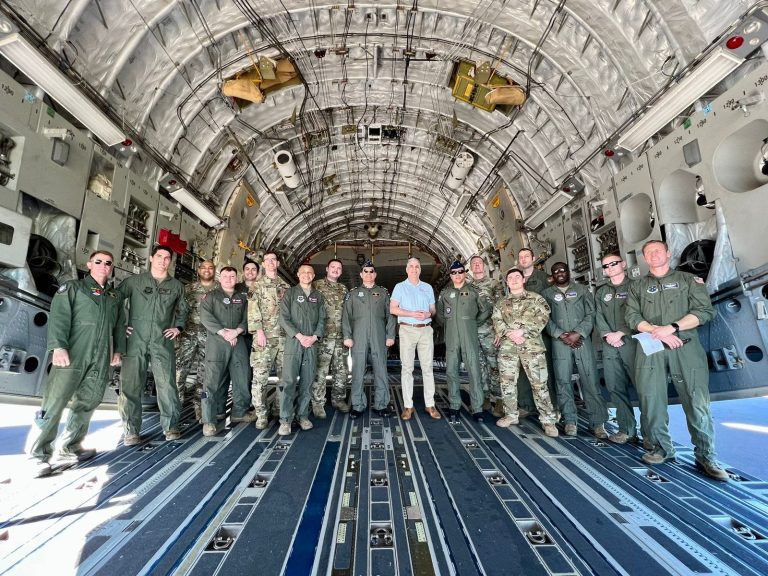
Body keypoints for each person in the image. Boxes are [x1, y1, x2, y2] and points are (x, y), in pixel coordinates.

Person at [625, 240, 728, 481]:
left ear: (668, 254)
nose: (654, 255)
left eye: (658, 250)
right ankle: (662, 448)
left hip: (685, 345)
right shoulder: (637, 286)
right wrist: (656, 331)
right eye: (648, 252)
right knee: (651, 399)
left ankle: (706, 456)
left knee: (696, 399)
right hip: (651, 346)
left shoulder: (687, 280)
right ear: (645, 258)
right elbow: (632, 316)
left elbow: (704, 311)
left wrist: (672, 328)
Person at [29, 251, 124, 477]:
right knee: (54, 402)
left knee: (88, 401)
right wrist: (58, 347)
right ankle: (39, 454)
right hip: (73, 353)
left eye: (108, 263)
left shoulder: (114, 297)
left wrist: (118, 350)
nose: (103, 266)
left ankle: (70, 447)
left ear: (112, 268)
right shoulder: (73, 288)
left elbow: (120, 325)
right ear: (89, 264)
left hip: (101, 357)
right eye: (98, 261)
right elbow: (60, 317)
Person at [117, 245, 189, 444]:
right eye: (159, 256)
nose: (163, 260)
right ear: (151, 258)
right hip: (135, 340)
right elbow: (114, 301)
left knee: (167, 384)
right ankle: (131, 431)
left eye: (167, 257)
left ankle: (171, 426)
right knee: (130, 386)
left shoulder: (176, 286)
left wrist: (178, 328)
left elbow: (183, 310)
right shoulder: (133, 282)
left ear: (170, 261)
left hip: (162, 341)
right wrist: (121, 326)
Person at [542, 262, 608, 438]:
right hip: (559, 342)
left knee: (590, 380)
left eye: (563, 270)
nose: (560, 273)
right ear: (552, 275)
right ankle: (570, 420)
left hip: (581, 342)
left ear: (568, 272)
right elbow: (544, 318)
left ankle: (598, 423)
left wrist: (578, 333)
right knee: (562, 382)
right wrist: (560, 334)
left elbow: (591, 313)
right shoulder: (546, 294)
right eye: (556, 271)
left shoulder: (582, 290)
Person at [492, 268, 558, 437]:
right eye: (510, 277)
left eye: (517, 277)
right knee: (507, 383)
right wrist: (509, 333)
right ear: (507, 282)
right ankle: (511, 415)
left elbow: (543, 317)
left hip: (532, 346)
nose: (513, 280)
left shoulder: (536, 299)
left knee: (539, 383)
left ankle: (548, 420)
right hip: (508, 347)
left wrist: (524, 332)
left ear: (523, 280)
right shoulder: (501, 303)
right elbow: (497, 320)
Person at [199, 267, 255, 435]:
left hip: (238, 341)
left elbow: (248, 317)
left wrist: (237, 331)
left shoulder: (242, 297)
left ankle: (240, 412)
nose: (229, 279)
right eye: (225, 276)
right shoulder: (211, 297)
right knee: (212, 381)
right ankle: (209, 419)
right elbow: (205, 317)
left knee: (242, 377)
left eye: (232, 276)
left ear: (237, 277)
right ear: (220, 278)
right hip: (217, 342)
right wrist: (224, 332)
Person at [595, 254, 644, 445]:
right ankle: (626, 429)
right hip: (610, 345)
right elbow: (598, 315)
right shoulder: (601, 292)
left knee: (643, 388)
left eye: (614, 263)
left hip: (632, 343)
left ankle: (649, 434)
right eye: (606, 266)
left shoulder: (636, 286)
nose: (610, 268)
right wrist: (608, 334)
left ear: (623, 264)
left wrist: (622, 333)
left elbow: (640, 313)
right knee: (615, 387)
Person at [436, 261, 490, 421]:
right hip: (452, 336)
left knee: (474, 370)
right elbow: (440, 315)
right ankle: (454, 406)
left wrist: (472, 323)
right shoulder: (445, 294)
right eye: (454, 273)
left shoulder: (474, 292)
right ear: (451, 275)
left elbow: (485, 310)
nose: (457, 275)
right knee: (451, 371)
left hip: (469, 335)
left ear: (465, 273)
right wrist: (451, 324)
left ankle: (478, 408)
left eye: (460, 272)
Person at [342, 261, 396, 417]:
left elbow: (390, 316)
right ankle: (358, 405)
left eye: (371, 271)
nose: (368, 274)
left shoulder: (383, 293)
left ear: (375, 274)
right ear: (361, 274)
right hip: (358, 335)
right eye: (365, 271)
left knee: (381, 370)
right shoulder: (353, 294)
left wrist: (390, 335)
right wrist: (347, 336)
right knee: (358, 370)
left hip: (379, 335)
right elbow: (346, 317)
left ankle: (381, 404)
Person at [278, 265, 325, 435]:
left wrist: (314, 337)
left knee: (307, 382)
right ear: (298, 275)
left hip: (311, 343)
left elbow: (322, 319)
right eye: (303, 272)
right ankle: (285, 420)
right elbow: (283, 317)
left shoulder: (318, 296)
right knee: (289, 382)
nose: (306, 275)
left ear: (313, 276)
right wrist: (298, 336)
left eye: (309, 273)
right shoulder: (290, 294)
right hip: (294, 342)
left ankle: (303, 416)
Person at [390, 258, 438, 420]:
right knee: (407, 368)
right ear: (406, 269)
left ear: (420, 269)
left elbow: (433, 309)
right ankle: (408, 406)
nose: (414, 269)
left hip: (425, 330)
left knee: (428, 368)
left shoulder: (427, 287)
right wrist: (412, 314)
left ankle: (430, 405)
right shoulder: (399, 287)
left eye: (417, 266)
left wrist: (428, 314)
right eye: (411, 266)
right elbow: (393, 309)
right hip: (407, 329)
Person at [248, 252, 289, 429]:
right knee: (260, 378)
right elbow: (252, 309)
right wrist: (259, 331)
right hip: (263, 338)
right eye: (268, 260)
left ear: (278, 263)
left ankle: (280, 410)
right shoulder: (257, 286)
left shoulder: (286, 286)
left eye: (274, 260)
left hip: (284, 338)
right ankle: (261, 414)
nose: (271, 263)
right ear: (263, 264)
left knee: (284, 378)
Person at [175, 259, 218, 423]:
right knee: (179, 374)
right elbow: (178, 310)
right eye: (203, 268)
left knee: (205, 376)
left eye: (210, 268)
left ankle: (200, 410)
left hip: (210, 337)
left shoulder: (220, 289)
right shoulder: (188, 289)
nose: (207, 270)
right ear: (198, 270)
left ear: (214, 271)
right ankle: (174, 412)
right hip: (188, 335)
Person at [516, 247, 556, 417]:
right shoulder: (515, 277)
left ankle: (550, 405)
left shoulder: (543, 278)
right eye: (521, 257)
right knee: (523, 369)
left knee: (544, 369)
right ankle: (526, 405)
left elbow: (550, 304)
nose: (524, 259)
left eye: (527, 256)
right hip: (519, 333)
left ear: (534, 258)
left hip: (540, 331)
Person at [312, 259, 350, 416]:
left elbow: (348, 313)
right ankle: (318, 403)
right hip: (323, 337)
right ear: (327, 269)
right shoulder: (316, 285)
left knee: (341, 370)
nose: (335, 270)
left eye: (338, 268)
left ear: (341, 271)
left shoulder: (343, 288)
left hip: (341, 337)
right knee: (320, 371)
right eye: (333, 267)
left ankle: (338, 399)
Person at [468, 255, 505, 417]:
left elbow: (501, 307)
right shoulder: (466, 287)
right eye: (474, 264)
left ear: (484, 266)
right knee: (479, 366)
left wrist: (500, 330)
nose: (477, 266)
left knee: (494, 365)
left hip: (490, 332)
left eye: (479, 263)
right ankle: (484, 397)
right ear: (470, 267)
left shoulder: (494, 284)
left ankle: (499, 399)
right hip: (473, 332)